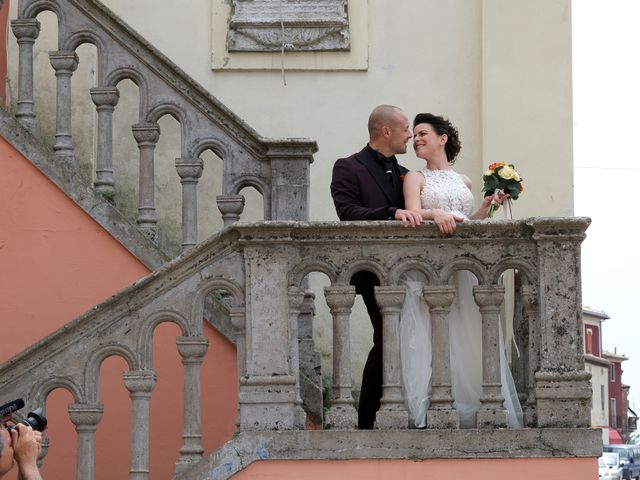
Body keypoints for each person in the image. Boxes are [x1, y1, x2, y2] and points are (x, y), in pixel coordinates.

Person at [399, 112, 522, 428]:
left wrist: (490, 204)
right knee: (433, 331)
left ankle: (472, 405)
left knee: (468, 331)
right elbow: (413, 213)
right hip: (432, 265)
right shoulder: (415, 178)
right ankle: (434, 407)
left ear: (443, 139)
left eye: (423, 133)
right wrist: (435, 211)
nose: (417, 139)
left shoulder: (464, 180)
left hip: (465, 266)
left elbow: (473, 221)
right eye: (414, 136)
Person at [331, 105, 433, 429]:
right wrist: (391, 212)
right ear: (385, 131)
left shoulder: (405, 173)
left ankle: (403, 411)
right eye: (405, 129)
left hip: (408, 272)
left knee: (406, 341)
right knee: (387, 339)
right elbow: (347, 212)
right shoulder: (348, 167)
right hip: (371, 271)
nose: (409, 135)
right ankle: (366, 419)